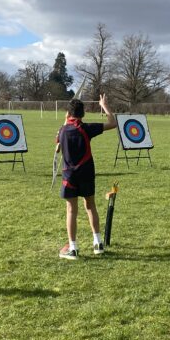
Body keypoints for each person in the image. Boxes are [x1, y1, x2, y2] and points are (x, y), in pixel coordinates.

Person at [56, 93, 117, 259]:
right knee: (90, 206)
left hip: (69, 176)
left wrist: (65, 120)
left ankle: (73, 248)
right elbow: (113, 123)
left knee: (71, 210)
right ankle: (97, 243)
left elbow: (58, 145)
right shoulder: (86, 128)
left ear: (68, 114)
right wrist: (104, 105)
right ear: (83, 114)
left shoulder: (62, 131)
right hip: (86, 173)